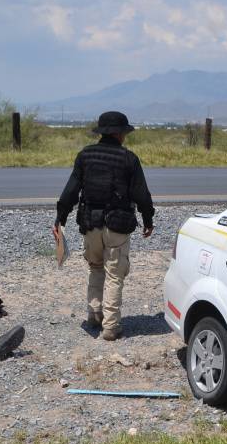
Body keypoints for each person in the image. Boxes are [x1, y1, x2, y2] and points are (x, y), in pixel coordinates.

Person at [55, 111, 155, 341]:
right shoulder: (129, 159)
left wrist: (60, 218)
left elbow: (71, 190)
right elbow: (141, 194)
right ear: (120, 134)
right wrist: (148, 220)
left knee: (95, 267)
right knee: (114, 275)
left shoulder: (85, 155)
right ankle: (110, 326)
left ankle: (94, 314)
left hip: (90, 222)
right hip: (117, 225)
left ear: (102, 132)